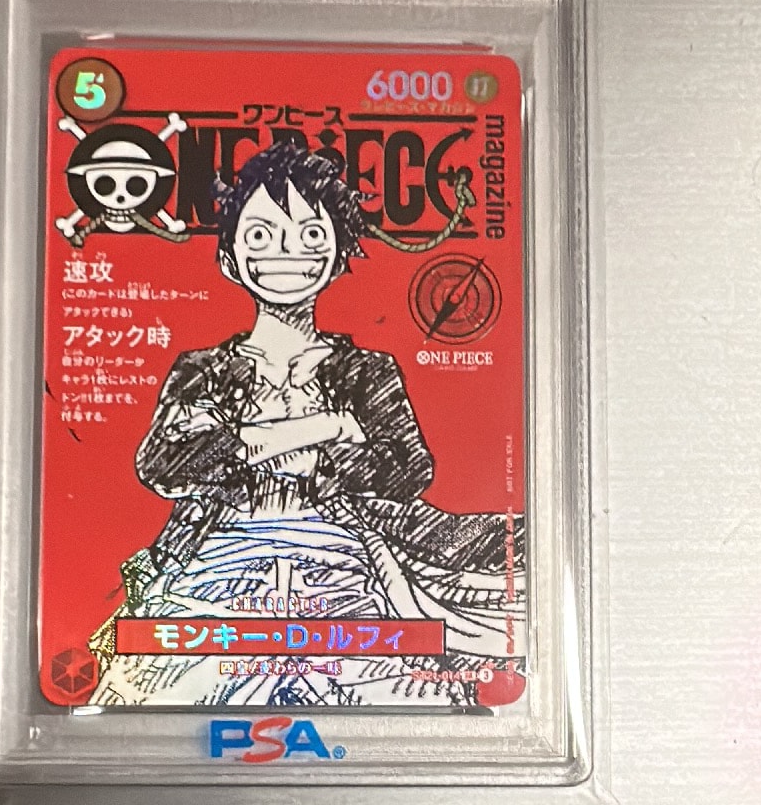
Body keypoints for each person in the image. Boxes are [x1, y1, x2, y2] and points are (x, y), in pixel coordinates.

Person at [89, 141, 523, 706]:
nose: (286, 253)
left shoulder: (368, 369)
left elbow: (407, 470)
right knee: (154, 698)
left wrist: (248, 444)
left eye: (312, 235)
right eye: (260, 236)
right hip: (216, 558)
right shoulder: (203, 367)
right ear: (229, 259)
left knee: (393, 698)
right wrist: (329, 428)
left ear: (339, 256)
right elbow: (160, 464)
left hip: (341, 558)